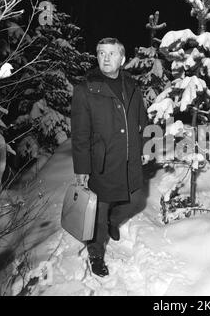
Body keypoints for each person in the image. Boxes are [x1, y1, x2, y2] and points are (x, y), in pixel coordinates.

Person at [71, 37, 148, 277]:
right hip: (101, 163)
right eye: (101, 53)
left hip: (128, 159)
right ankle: (96, 253)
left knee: (127, 199)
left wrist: (145, 147)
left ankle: (113, 222)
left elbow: (142, 121)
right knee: (98, 211)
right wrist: (82, 168)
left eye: (111, 53)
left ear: (122, 59)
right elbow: (80, 134)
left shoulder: (132, 87)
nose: (105, 58)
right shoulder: (85, 89)